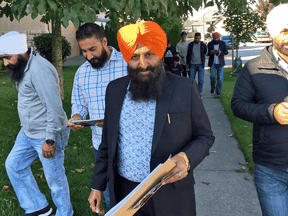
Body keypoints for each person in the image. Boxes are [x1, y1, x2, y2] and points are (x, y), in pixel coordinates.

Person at [88, 21, 215, 216]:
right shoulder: (114, 90)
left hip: (171, 194)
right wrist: (97, 186)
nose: (143, 64)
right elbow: (107, 144)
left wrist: (186, 158)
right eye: (134, 57)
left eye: (149, 54)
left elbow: (205, 136)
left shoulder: (185, 88)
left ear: (161, 52)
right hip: (126, 193)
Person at [1, 31, 73, 215]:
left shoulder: (39, 70)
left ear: (21, 51)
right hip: (28, 132)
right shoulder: (24, 67)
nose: (5, 63)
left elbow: (55, 108)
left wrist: (50, 140)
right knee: (14, 165)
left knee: (55, 180)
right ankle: (38, 206)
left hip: (46, 133)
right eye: (2, 58)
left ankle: (65, 213)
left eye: (8, 57)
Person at [231, 4, 288, 215]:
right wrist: (271, 112)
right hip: (271, 169)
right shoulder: (254, 67)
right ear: (273, 33)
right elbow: (238, 105)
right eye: (284, 30)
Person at [67, 23, 128, 210]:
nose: (88, 56)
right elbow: (79, 103)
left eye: (92, 49)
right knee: (110, 197)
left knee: (134, 196)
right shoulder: (82, 73)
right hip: (100, 147)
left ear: (104, 41)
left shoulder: (127, 63)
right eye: (84, 51)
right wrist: (77, 116)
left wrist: (113, 122)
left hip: (129, 144)